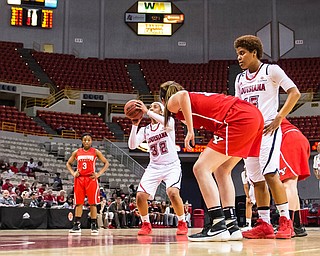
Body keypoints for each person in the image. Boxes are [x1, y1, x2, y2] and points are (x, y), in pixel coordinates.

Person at [159, 81, 264, 242]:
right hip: (252, 116)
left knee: (200, 168)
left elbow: (182, 95)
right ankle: (231, 225)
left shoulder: (173, 102)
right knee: (222, 171)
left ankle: (217, 224)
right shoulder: (196, 100)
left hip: (237, 117)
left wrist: (190, 130)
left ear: (163, 100)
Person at [234, 35, 301, 239]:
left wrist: (279, 117)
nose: (239, 58)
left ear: (254, 52)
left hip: (268, 130)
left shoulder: (271, 70)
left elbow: (294, 93)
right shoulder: (239, 79)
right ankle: (264, 223)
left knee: (271, 173)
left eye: (242, 53)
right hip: (249, 134)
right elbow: (240, 107)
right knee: (256, 180)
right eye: (238, 54)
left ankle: (285, 221)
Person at [128, 101, 188, 236]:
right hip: (154, 167)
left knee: (172, 193)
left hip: (171, 166)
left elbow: (169, 124)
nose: (150, 108)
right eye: (150, 107)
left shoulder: (168, 122)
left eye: (154, 107)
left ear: (161, 112)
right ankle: (146, 224)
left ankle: (182, 222)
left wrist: (146, 111)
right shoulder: (145, 130)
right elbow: (132, 146)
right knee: (140, 196)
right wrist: (134, 126)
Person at [66, 133, 109, 234]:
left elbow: (106, 163)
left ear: (91, 141)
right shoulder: (77, 152)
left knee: (93, 203)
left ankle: (94, 225)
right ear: (82, 141)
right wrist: (73, 173)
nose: (86, 141)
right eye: (84, 140)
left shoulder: (95, 152)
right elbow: (68, 163)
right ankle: (76, 225)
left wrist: (98, 174)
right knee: (78, 203)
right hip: (79, 179)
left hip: (91, 179)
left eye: (88, 140)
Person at [279, 118, 310, 237]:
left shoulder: (259, 111)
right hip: (299, 138)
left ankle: (289, 225)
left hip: (288, 139)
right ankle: (297, 225)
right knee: (292, 185)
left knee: (287, 184)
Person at [241, 166, 256, 231]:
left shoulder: (255, 170)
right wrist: (248, 197)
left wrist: (248, 197)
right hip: (254, 187)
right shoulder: (244, 173)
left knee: (249, 205)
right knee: (248, 204)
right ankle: (248, 224)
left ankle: (248, 224)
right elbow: (245, 186)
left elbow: (246, 186)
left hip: (257, 186)